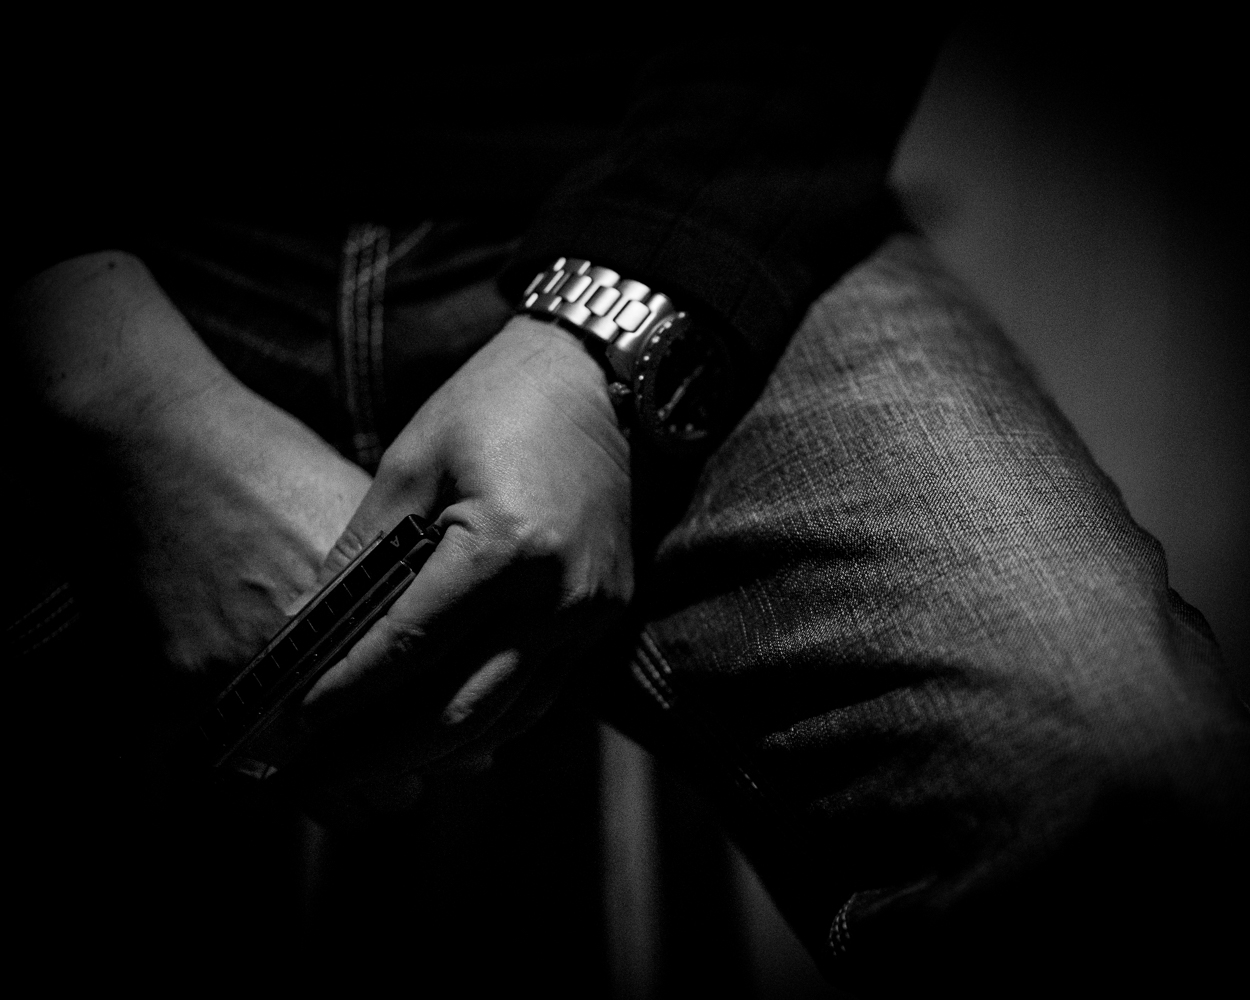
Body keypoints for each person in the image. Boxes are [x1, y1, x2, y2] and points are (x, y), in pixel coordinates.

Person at [8, 26, 1248, 997]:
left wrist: (603, 340)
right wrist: (109, 387)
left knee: (1108, 778)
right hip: (116, 248)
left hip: (648, 183)